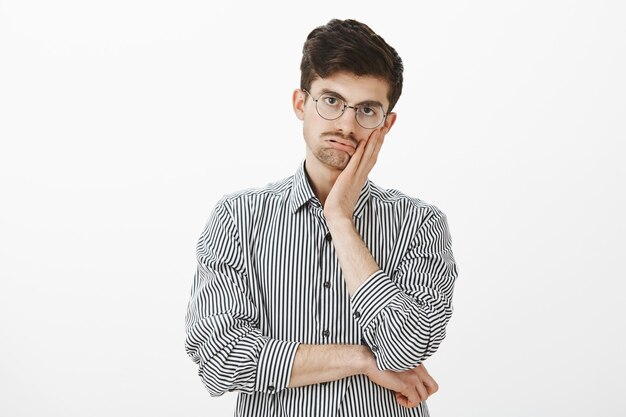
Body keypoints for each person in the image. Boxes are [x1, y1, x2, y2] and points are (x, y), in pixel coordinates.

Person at [185, 18, 458, 417]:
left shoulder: (420, 224)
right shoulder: (237, 218)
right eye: (331, 100)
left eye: (367, 110)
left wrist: (341, 222)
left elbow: (407, 346)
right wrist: (362, 359)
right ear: (301, 103)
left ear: (387, 124)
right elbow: (218, 358)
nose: (347, 125)